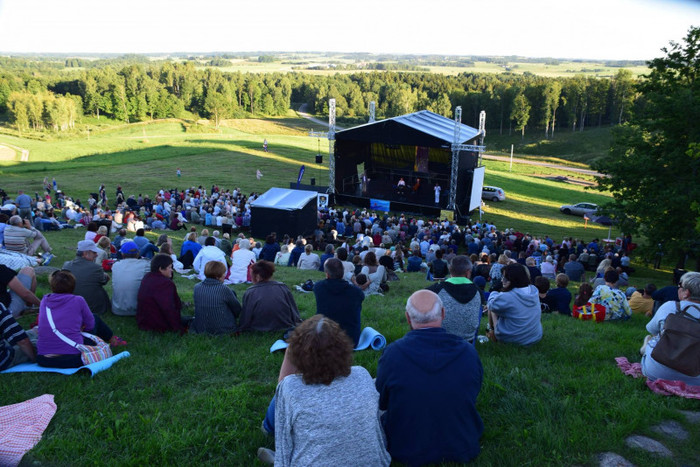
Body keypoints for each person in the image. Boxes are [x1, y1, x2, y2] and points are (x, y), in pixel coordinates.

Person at [257, 315, 390, 466]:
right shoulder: (362, 374)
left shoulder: (290, 387)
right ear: (343, 348)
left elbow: (283, 441)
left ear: (297, 352)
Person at [375, 290, 483, 465]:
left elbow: (383, 401)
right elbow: (473, 392)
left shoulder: (393, 354)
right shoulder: (468, 352)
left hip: (404, 448)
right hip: (463, 445)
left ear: (408, 318)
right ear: (443, 313)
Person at [37, 270, 122, 368]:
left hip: (43, 359)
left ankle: (112, 340)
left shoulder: (45, 300)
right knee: (95, 318)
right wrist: (80, 329)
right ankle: (113, 340)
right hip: (72, 357)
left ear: (52, 286)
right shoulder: (78, 300)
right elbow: (90, 324)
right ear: (73, 286)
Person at [641, 272, 700, 385]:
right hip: (695, 380)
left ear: (686, 293)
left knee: (655, 336)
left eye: (680, 287)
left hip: (658, 373)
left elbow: (651, 329)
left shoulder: (670, 306)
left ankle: (646, 349)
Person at [427, 255, 482, 342]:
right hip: (468, 341)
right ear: (468, 273)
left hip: (440, 340)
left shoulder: (436, 289)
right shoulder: (477, 291)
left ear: (450, 269)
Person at [486, 263, 543, 345]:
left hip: (512, 339)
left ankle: (491, 331)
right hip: (535, 336)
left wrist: (494, 292)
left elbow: (491, 305)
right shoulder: (533, 290)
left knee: (492, 308)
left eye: (505, 278)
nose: (502, 280)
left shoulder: (507, 296)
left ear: (514, 279)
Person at [313, 258, 365, 346]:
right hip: (350, 340)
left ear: (327, 274)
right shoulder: (356, 292)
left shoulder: (318, 287)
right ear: (343, 273)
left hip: (324, 338)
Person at [239, 261, 301, 332]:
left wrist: (242, 327)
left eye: (251, 275)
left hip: (258, 328)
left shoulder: (250, 292)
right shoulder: (283, 287)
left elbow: (246, 315)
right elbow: (293, 309)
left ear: (258, 276)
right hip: (285, 325)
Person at [136, 254, 186, 333]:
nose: (171, 270)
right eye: (169, 267)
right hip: (158, 324)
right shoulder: (165, 284)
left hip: (144, 321)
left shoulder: (147, 277)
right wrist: (178, 327)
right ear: (161, 269)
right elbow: (168, 308)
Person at [191, 261, 241, 335]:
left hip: (201, 328)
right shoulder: (224, 289)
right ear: (218, 276)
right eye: (224, 273)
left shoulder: (197, 287)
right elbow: (237, 310)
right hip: (224, 329)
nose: (225, 275)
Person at [62, 240, 111, 315]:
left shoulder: (66, 265)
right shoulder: (96, 268)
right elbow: (103, 281)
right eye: (94, 252)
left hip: (71, 305)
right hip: (93, 308)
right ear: (85, 254)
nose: (97, 255)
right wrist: (106, 276)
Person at [111, 241, 150, 316]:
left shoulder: (116, 266)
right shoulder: (146, 265)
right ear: (138, 253)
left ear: (122, 254)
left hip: (117, 309)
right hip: (137, 309)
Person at [0, 302, 36, 371]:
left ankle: (36, 331)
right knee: (38, 345)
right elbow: (22, 341)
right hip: (3, 359)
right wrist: (34, 359)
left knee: (30, 334)